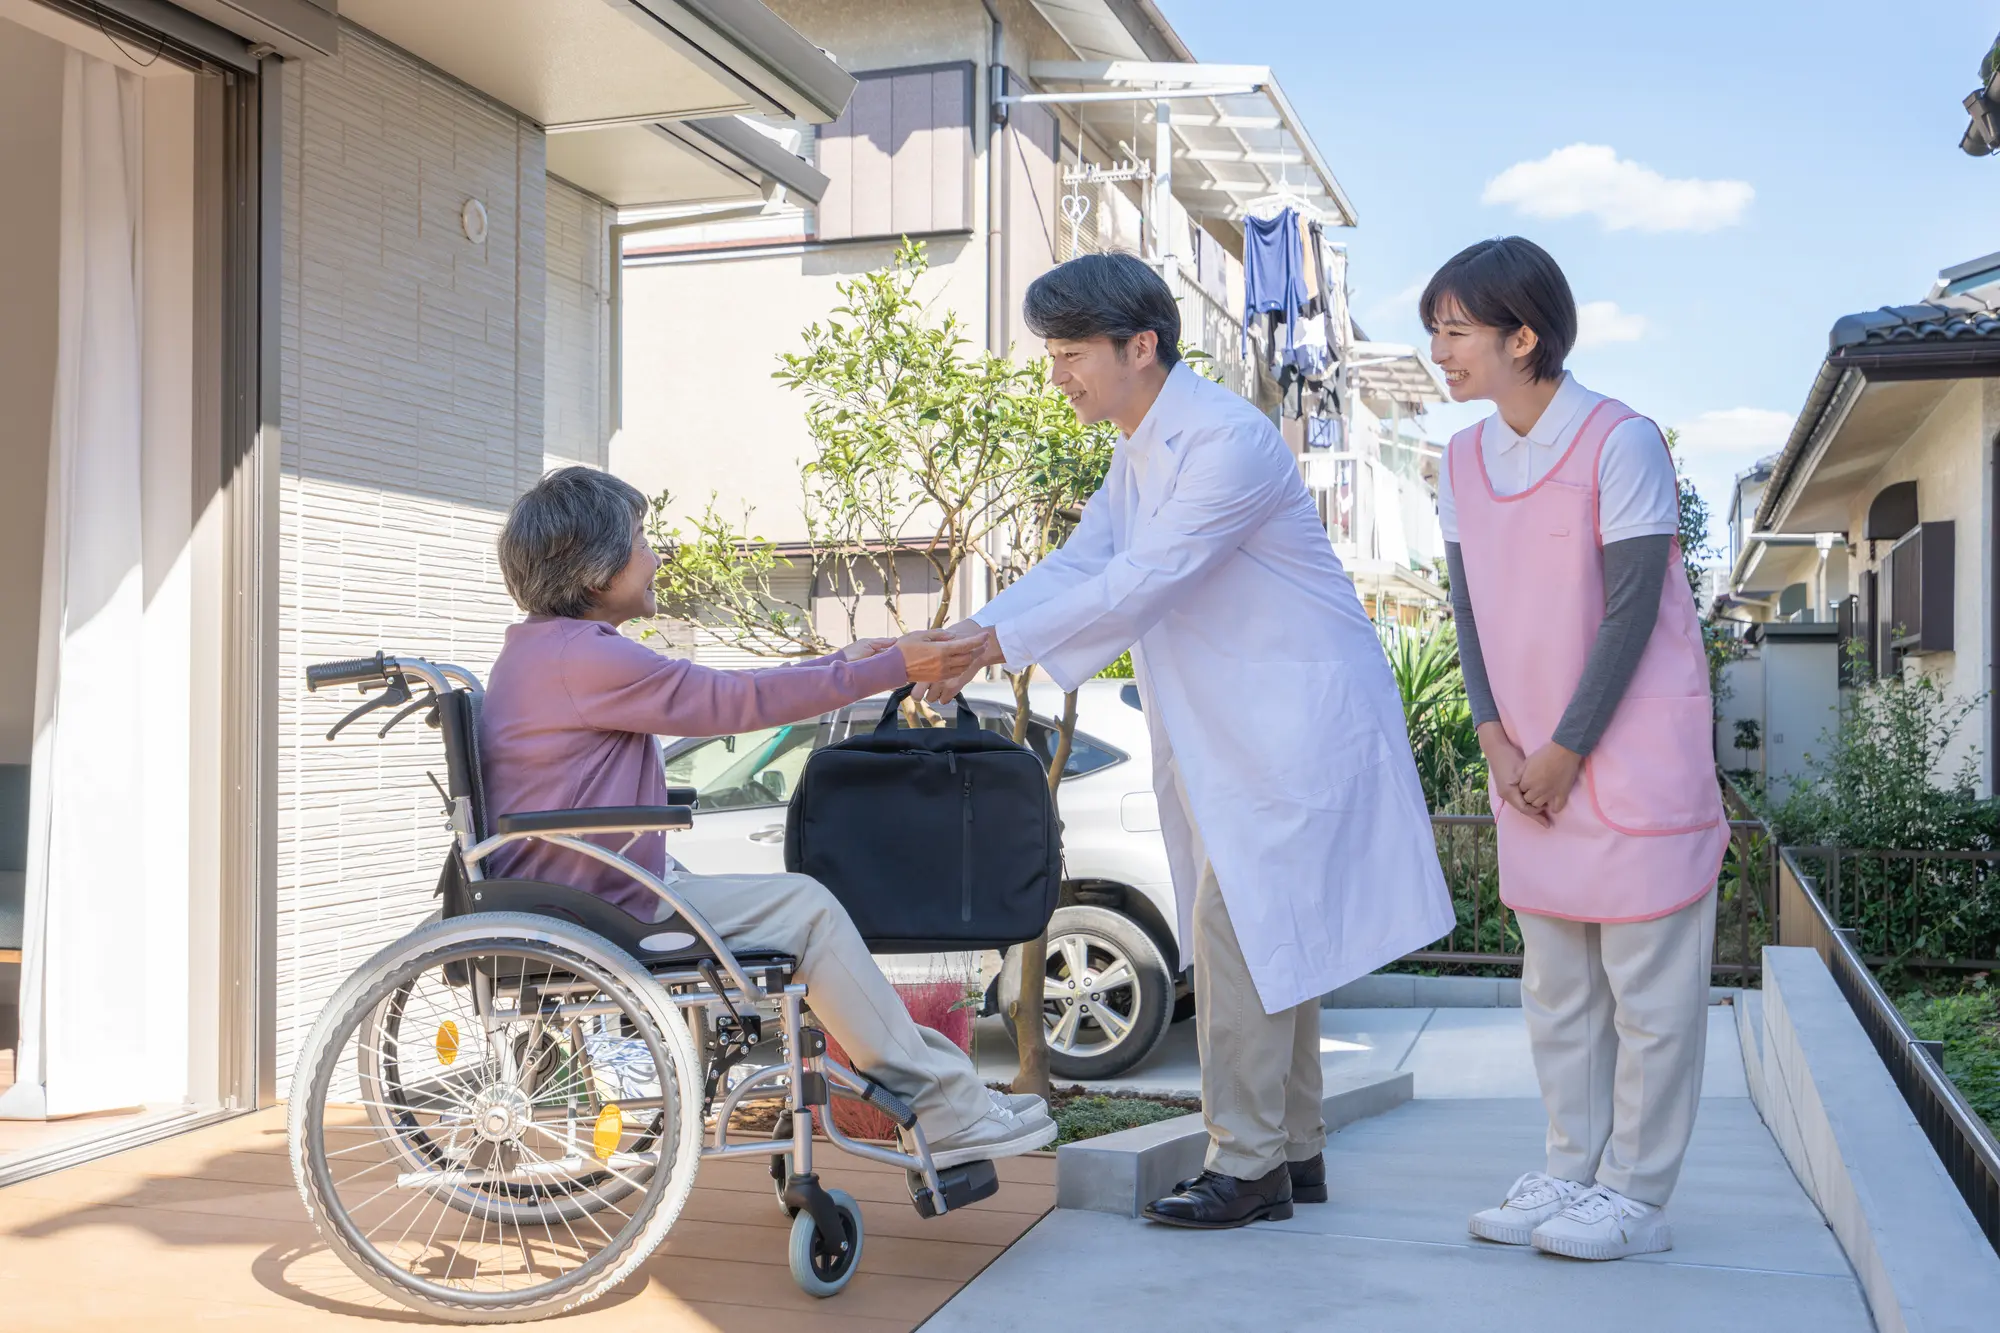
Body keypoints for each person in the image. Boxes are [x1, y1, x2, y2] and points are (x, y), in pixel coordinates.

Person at [924, 253, 1455, 1229]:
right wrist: (969, 636)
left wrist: (993, 641)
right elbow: (1086, 560)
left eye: (1071, 352)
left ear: (1140, 345)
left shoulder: (1224, 441)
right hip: (1240, 727)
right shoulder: (1140, 453)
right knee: (1272, 934)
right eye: (1052, 352)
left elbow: (1145, 579)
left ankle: (1246, 1161)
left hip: (1293, 724)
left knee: (1240, 930)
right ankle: (1291, 1151)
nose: (1057, 375)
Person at [477, 466, 1058, 1169]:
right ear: (595, 569)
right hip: (603, 901)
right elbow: (732, 703)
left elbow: (724, 691)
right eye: (640, 541)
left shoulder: (545, 651)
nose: (656, 556)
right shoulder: (583, 657)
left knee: (803, 910)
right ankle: (950, 1109)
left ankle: (954, 1098)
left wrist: (849, 661)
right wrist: (885, 667)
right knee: (807, 909)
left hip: (581, 887)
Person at [1423, 237, 1728, 1261]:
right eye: (1434, 330)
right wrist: (1492, 734)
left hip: (1627, 755)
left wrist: (1563, 747)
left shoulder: (1618, 440)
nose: (1438, 351)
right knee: (1554, 987)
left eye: (1454, 331)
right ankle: (1567, 1170)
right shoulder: (1459, 459)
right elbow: (1466, 609)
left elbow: (1632, 609)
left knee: (1647, 992)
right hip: (1527, 763)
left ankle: (1632, 1195)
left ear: (1523, 335)